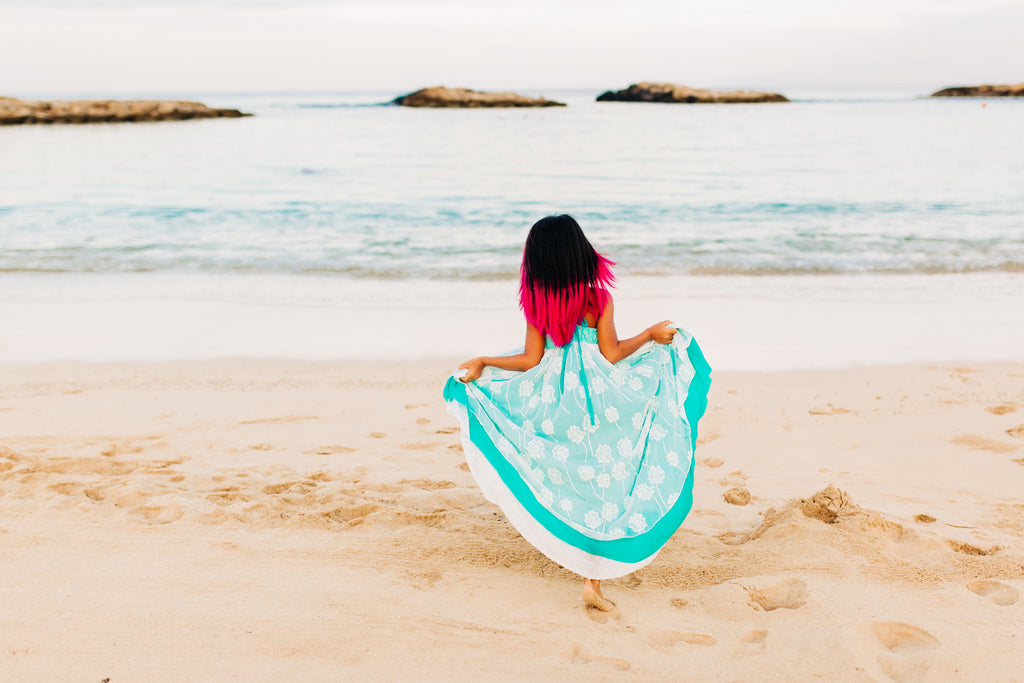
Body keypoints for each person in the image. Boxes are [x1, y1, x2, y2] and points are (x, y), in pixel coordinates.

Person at [442, 214, 710, 611]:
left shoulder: (537, 303)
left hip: (553, 403)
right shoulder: (598, 298)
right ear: (579, 252)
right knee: (607, 475)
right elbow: (612, 354)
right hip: (600, 400)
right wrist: (650, 336)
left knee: (566, 473)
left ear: (538, 262)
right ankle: (592, 581)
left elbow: (532, 361)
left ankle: (579, 557)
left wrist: (485, 362)